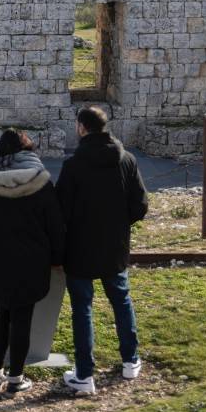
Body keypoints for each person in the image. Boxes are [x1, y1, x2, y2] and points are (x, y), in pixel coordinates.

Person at [55, 105, 148, 396]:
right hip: (114, 244)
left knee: (82, 308)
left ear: (82, 127)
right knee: (121, 300)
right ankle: (130, 359)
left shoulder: (73, 166)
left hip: (80, 246)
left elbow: (61, 210)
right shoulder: (127, 161)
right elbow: (140, 205)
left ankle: (85, 374)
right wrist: (120, 223)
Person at [0, 129, 65, 396]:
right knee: (22, 319)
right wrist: (57, 259)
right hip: (32, 260)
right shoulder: (42, 182)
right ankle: (16, 378)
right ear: (28, 152)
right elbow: (54, 225)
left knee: (2, 318)